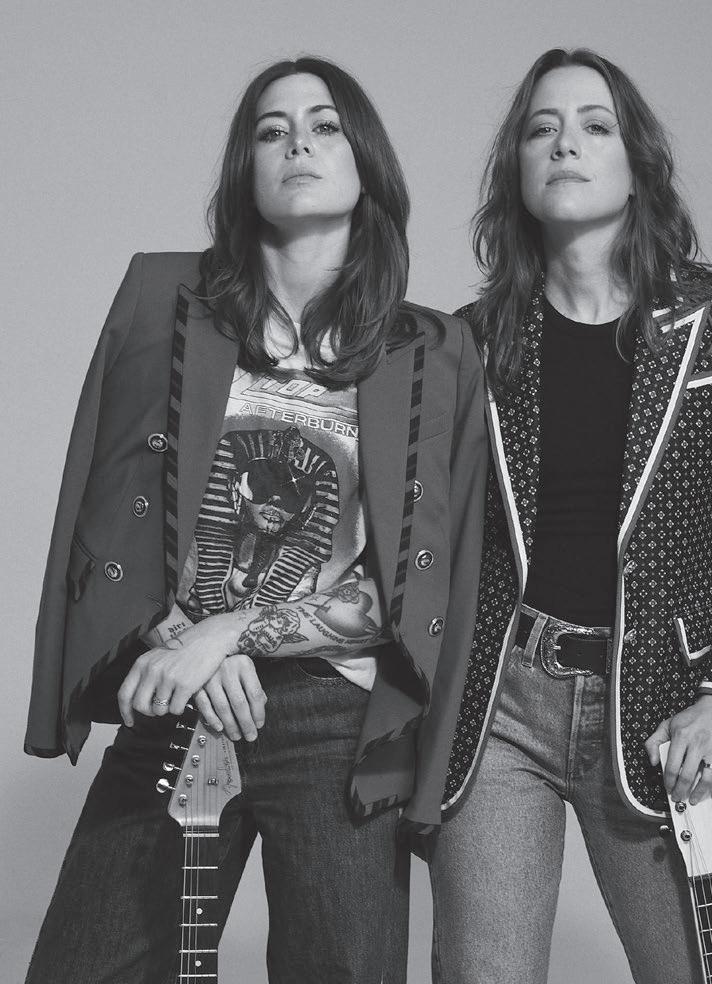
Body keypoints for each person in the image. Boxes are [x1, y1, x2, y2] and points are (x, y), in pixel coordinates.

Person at [24, 56, 487, 984]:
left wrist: (234, 630)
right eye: (272, 131)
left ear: (366, 165)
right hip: (174, 689)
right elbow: (103, 520)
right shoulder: (163, 303)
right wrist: (183, 641)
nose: (298, 144)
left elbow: (421, 582)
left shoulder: (433, 352)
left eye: (324, 126)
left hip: (336, 718)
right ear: (246, 171)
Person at [430, 47, 712, 984]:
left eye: (594, 126)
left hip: (664, 708)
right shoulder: (470, 342)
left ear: (636, 164)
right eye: (541, 129)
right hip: (501, 702)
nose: (565, 144)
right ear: (516, 169)